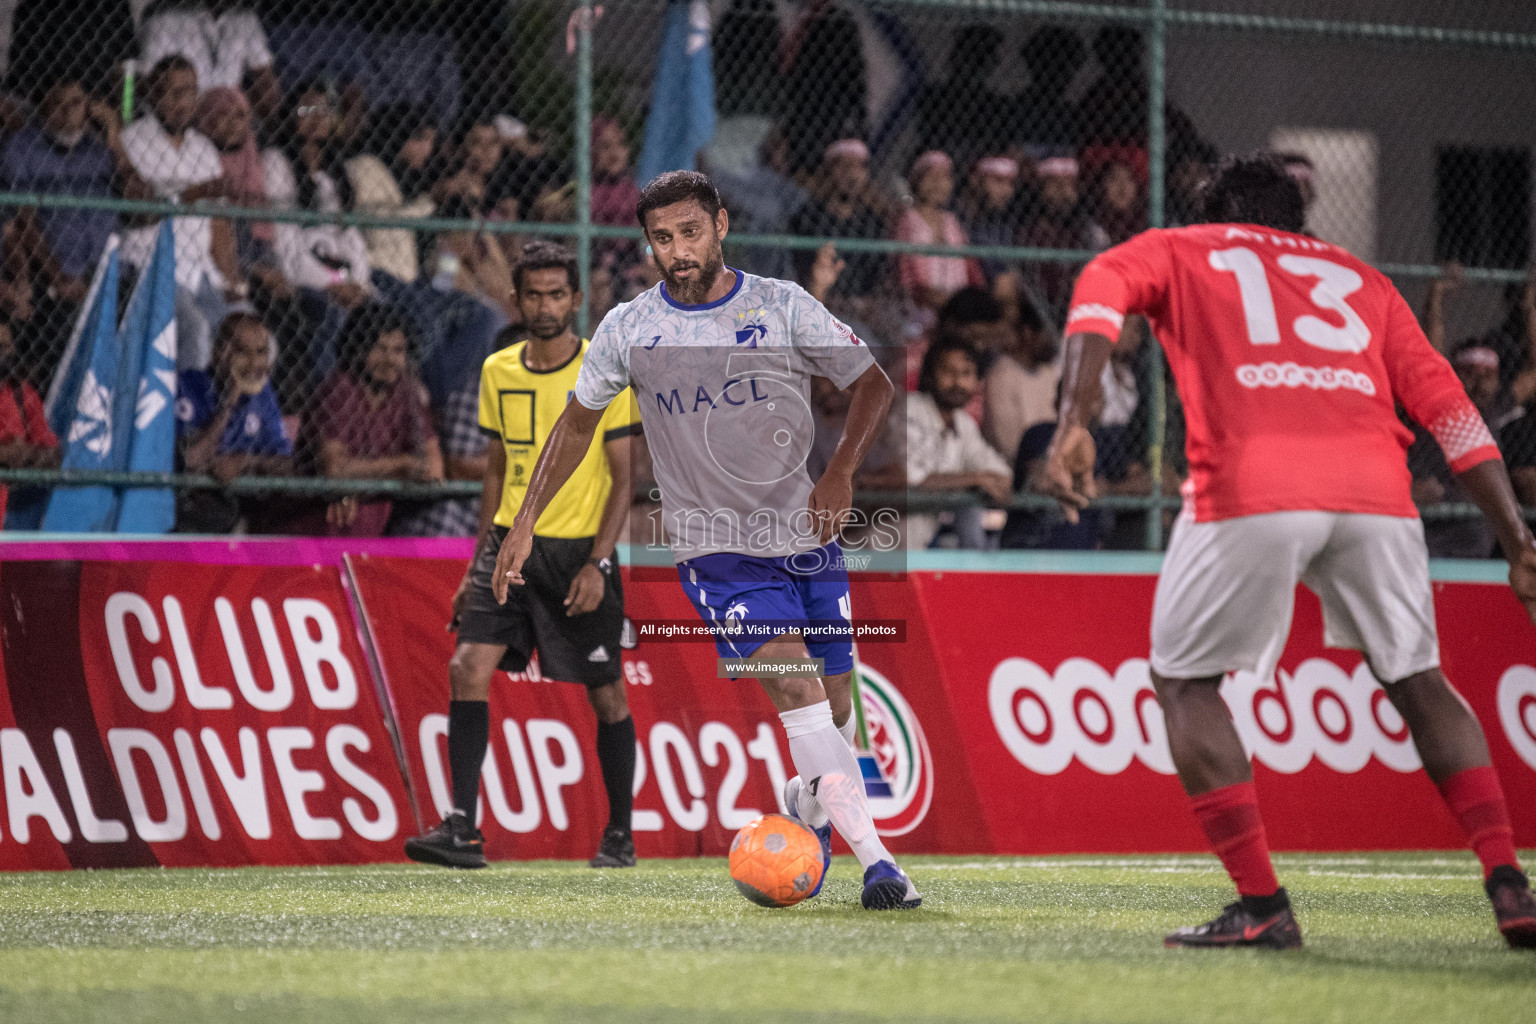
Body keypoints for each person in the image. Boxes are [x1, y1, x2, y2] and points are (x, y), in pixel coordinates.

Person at [1042, 152, 1536, 949]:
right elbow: (1448, 409)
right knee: (1418, 678)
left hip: (1253, 484)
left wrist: (1074, 416)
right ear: (1297, 223)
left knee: (1183, 681)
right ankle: (1508, 879)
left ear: (1214, 215)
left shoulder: (1182, 247)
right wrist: (1516, 538)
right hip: (1379, 494)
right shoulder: (1360, 278)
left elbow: (1101, 281)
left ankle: (1264, 907)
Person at [493, 171, 921, 910]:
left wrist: (841, 473)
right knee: (797, 684)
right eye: (663, 238)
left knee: (839, 709)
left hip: (808, 533)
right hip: (715, 549)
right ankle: (881, 863)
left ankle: (805, 800)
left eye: (690, 232)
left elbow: (873, 383)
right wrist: (525, 519)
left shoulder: (780, 303)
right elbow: (576, 426)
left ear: (721, 224)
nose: (678, 250)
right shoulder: (630, 328)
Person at [404, 241, 643, 869]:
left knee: (607, 695)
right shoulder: (497, 371)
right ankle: (462, 828)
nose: (545, 305)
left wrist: (599, 561)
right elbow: (498, 469)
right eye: (534, 294)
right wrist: (477, 559)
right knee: (466, 668)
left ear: (577, 299)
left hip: (577, 555)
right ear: (517, 299)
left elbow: (625, 478)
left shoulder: (604, 370)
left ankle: (620, 832)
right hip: (508, 548)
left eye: (556, 294)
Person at [120, 55, 242, 373]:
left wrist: (232, 280)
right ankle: (189, 415)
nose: (181, 102)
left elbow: (219, 224)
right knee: (196, 330)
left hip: (201, 272)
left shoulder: (204, 148)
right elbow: (139, 214)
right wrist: (195, 192)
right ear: (153, 94)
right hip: (152, 268)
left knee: (248, 329)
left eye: (188, 92)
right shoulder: (133, 141)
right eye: (171, 92)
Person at [300, 303, 443, 537]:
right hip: (316, 524)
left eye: (398, 351)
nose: (390, 359)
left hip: (371, 528)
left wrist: (357, 481)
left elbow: (433, 471)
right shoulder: (340, 389)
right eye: (379, 348)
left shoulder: (405, 393)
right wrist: (401, 466)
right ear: (357, 349)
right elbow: (334, 469)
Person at [174, 311, 293, 532]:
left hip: (240, 506)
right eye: (242, 352)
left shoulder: (263, 395)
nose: (254, 363)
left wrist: (247, 462)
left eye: (261, 352)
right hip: (188, 506)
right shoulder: (188, 385)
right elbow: (191, 460)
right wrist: (231, 398)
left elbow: (287, 463)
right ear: (218, 352)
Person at [906, 338, 1012, 550]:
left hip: (920, 544)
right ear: (930, 374)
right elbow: (912, 480)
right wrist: (976, 479)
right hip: (879, 543)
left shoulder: (963, 423)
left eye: (966, 374)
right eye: (948, 372)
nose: (958, 382)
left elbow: (1001, 475)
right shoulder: (909, 410)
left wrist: (985, 481)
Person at [895, 150, 986, 335]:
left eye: (945, 177)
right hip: (921, 307)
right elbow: (908, 275)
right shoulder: (908, 221)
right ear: (916, 181)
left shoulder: (952, 221)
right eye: (931, 176)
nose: (939, 184)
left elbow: (971, 268)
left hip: (959, 306)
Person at [788, 140, 888, 301]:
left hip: (863, 307)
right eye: (845, 166)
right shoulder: (807, 217)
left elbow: (879, 277)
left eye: (859, 167)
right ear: (828, 172)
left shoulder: (873, 223)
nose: (852, 175)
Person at [0, 316, 59, 526]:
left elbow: (52, 454)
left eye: (5, 347)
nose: (2, 355)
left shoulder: (21, 394)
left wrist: (21, 454)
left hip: (14, 520)